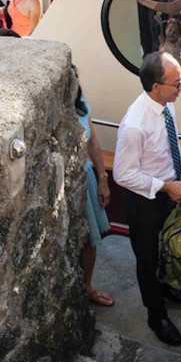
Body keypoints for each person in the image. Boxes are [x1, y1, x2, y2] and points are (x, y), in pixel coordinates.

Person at [112, 51, 181, 347]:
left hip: (169, 188)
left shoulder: (166, 105)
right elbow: (123, 174)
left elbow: (171, 144)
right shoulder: (135, 124)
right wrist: (164, 186)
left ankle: (168, 288)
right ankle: (155, 314)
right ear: (156, 87)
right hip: (145, 200)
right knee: (146, 258)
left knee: (169, 247)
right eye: (177, 83)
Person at [74, 81, 114, 308]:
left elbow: (94, 143)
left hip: (86, 175)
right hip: (69, 180)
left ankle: (87, 286)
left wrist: (103, 180)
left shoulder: (80, 105)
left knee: (91, 239)